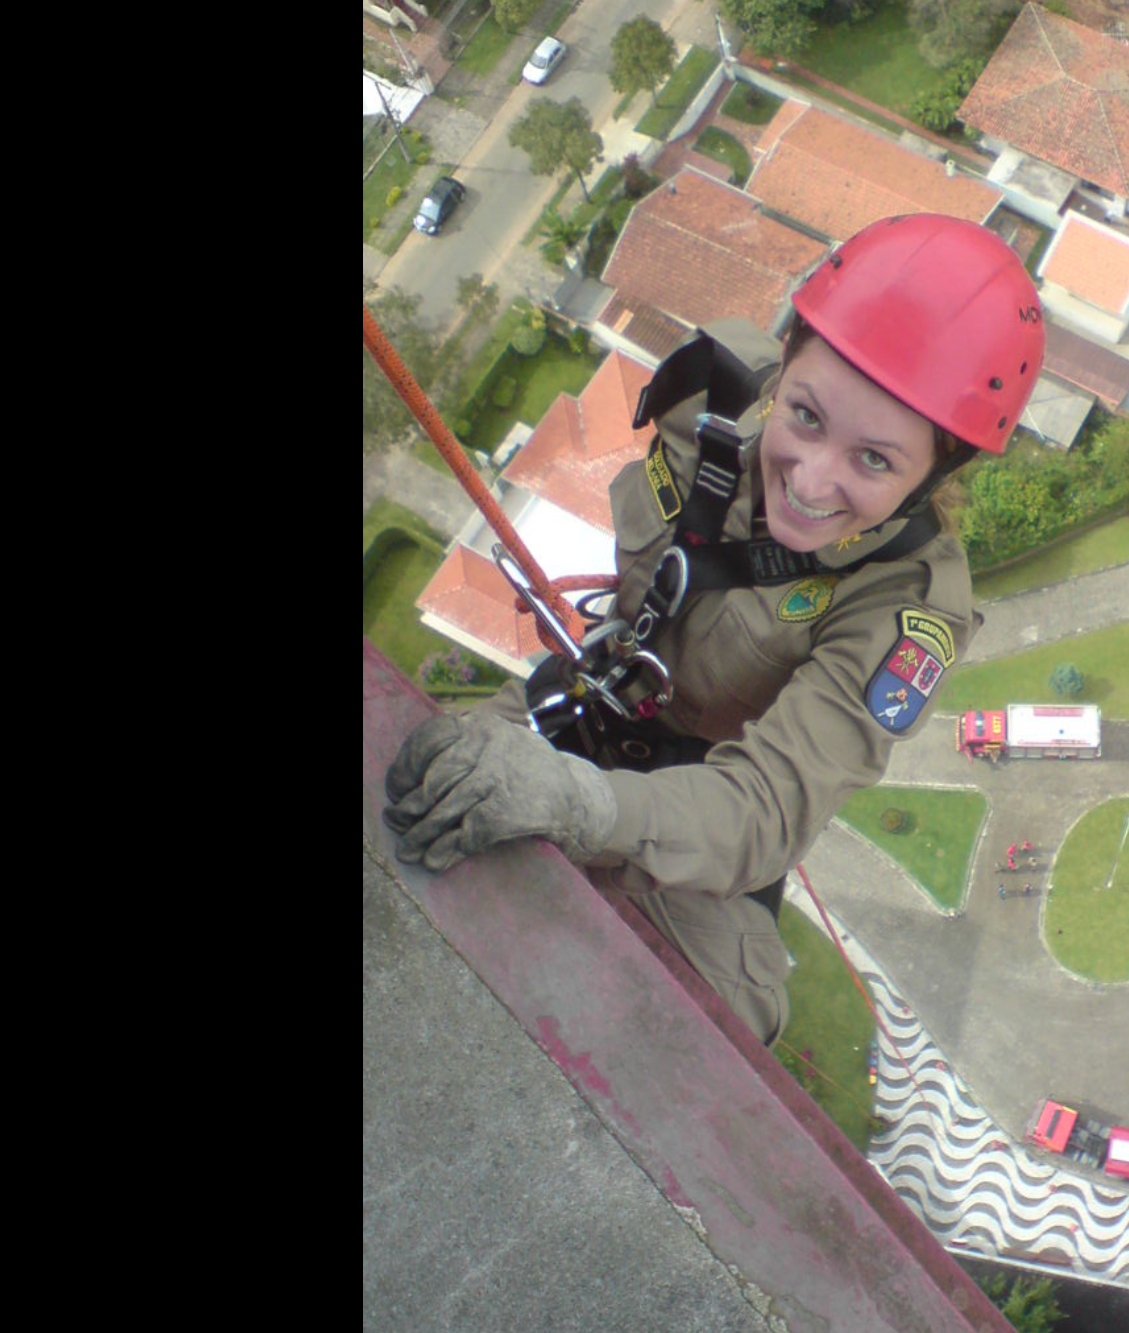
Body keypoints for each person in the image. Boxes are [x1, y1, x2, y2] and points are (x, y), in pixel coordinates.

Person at [384, 214, 1045, 1046]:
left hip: (706, 806)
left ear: (935, 472)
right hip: (589, 701)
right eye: (804, 415)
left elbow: (762, 809)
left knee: (708, 1038)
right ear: (784, 359)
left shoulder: (905, 607)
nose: (810, 479)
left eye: (874, 460)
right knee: (407, 805)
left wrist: (571, 801)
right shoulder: (709, 390)